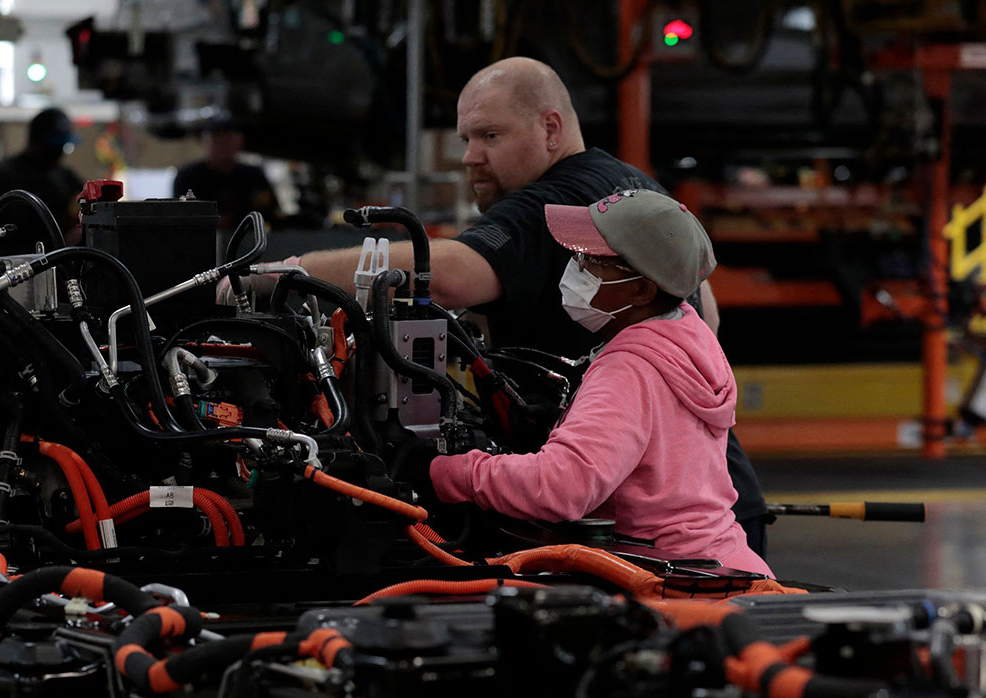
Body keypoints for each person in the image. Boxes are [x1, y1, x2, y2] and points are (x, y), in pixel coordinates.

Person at [288, 58, 767, 556]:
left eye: (490, 136)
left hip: (663, 557)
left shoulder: (556, 206)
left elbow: (449, 273)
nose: (470, 156)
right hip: (722, 521)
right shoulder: (635, 190)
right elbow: (706, 312)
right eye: (466, 139)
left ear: (551, 128)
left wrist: (288, 272)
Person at [394, 189, 770, 576]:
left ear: (642, 290)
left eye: (592, 261)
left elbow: (561, 489)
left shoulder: (630, 368)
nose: (574, 266)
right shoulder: (689, 338)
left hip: (665, 584)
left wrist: (444, 472)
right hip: (723, 566)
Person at [0, 108, 84, 256]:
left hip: (57, 264)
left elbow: (87, 200)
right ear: (37, 142)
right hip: (11, 266)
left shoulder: (64, 176)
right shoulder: (1, 175)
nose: (60, 153)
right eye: (55, 147)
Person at [173, 122, 284, 231]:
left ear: (240, 141)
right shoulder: (189, 176)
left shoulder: (253, 175)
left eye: (228, 139)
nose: (223, 145)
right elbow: (181, 216)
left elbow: (270, 213)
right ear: (203, 142)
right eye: (217, 139)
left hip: (248, 239)